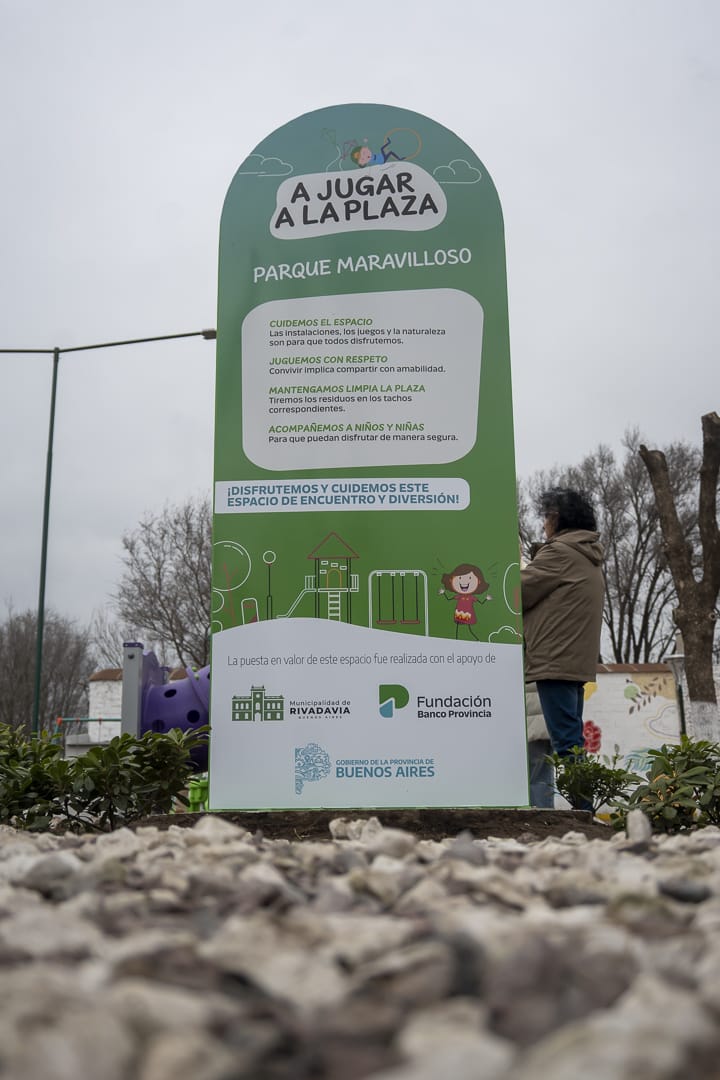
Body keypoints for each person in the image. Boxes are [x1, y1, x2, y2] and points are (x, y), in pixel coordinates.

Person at [521, 488, 604, 809]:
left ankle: (584, 810)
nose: (543, 525)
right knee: (571, 739)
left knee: (567, 743)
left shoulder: (559, 553)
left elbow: (517, 592)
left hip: (553, 661)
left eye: (545, 517)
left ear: (556, 518)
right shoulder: (586, 553)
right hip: (574, 662)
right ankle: (585, 808)